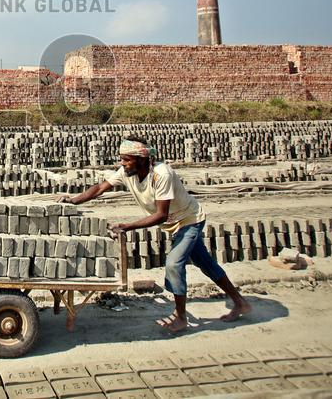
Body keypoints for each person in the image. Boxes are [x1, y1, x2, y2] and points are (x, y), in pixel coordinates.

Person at [59, 136, 251, 333]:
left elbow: (161, 215)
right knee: (205, 263)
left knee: (174, 264)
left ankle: (181, 317)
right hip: (173, 224)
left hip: (189, 220)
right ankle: (240, 302)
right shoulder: (127, 172)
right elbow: (99, 188)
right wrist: (73, 200)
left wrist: (127, 226)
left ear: (141, 159)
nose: (122, 164)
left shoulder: (161, 174)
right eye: (122, 159)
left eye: (126, 159)